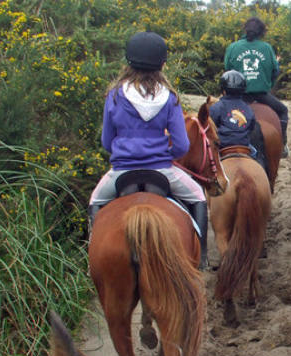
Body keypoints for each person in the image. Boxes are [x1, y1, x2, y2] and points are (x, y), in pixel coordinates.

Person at [88, 31, 210, 268]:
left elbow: (106, 141)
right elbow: (183, 145)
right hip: (161, 171)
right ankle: (202, 257)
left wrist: (123, 151)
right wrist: (165, 156)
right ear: (162, 64)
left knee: (95, 201)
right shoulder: (170, 98)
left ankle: (92, 258)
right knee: (198, 197)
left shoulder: (114, 95)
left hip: (121, 172)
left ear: (128, 61)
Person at [224, 17, 290, 158]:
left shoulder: (233, 47)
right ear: (261, 32)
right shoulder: (266, 48)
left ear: (245, 30)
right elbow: (275, 71)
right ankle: (283, 144)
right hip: (261, 95)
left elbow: (227, 70)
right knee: (283, 111)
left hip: (238, 96)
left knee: (217, 114)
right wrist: (268, 85)